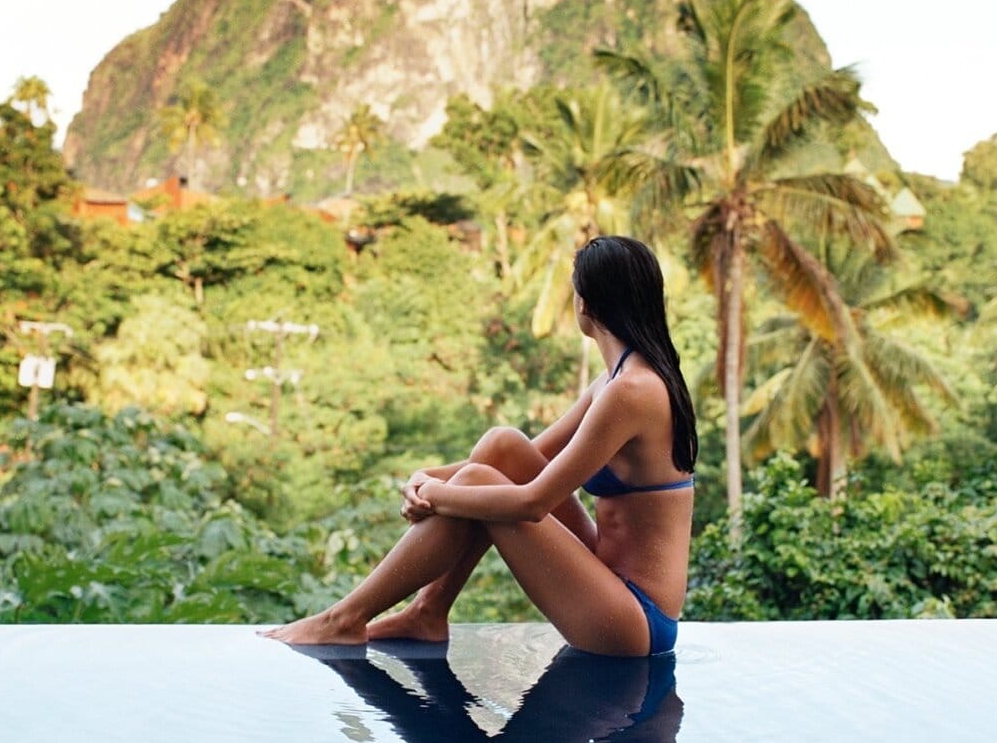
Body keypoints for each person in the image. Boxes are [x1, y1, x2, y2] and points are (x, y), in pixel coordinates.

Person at [263, 234, 696, 654]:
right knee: (500, 445)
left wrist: (439, 494)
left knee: (475, 479)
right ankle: (427, 612)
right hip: (605, 578)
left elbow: (533, 502)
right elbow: (525, 460)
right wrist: (425, 478)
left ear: (587, 303)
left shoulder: (632, 391)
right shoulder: (615, 380)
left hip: (635, 619)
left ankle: (343, 619)